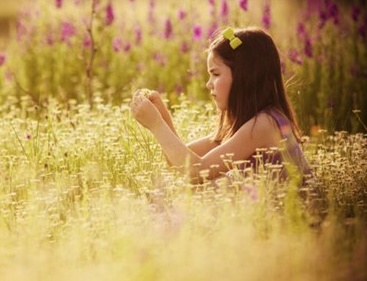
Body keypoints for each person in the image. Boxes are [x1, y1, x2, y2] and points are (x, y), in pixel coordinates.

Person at [130, 26, 312, 185]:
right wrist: (162, 116)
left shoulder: (264, 124)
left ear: (244, 77)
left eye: (216, 74)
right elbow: (179, 162)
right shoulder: (242, 124)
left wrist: (156, 125)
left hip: (301, 220)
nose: (208, 84)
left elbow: (196, 172)